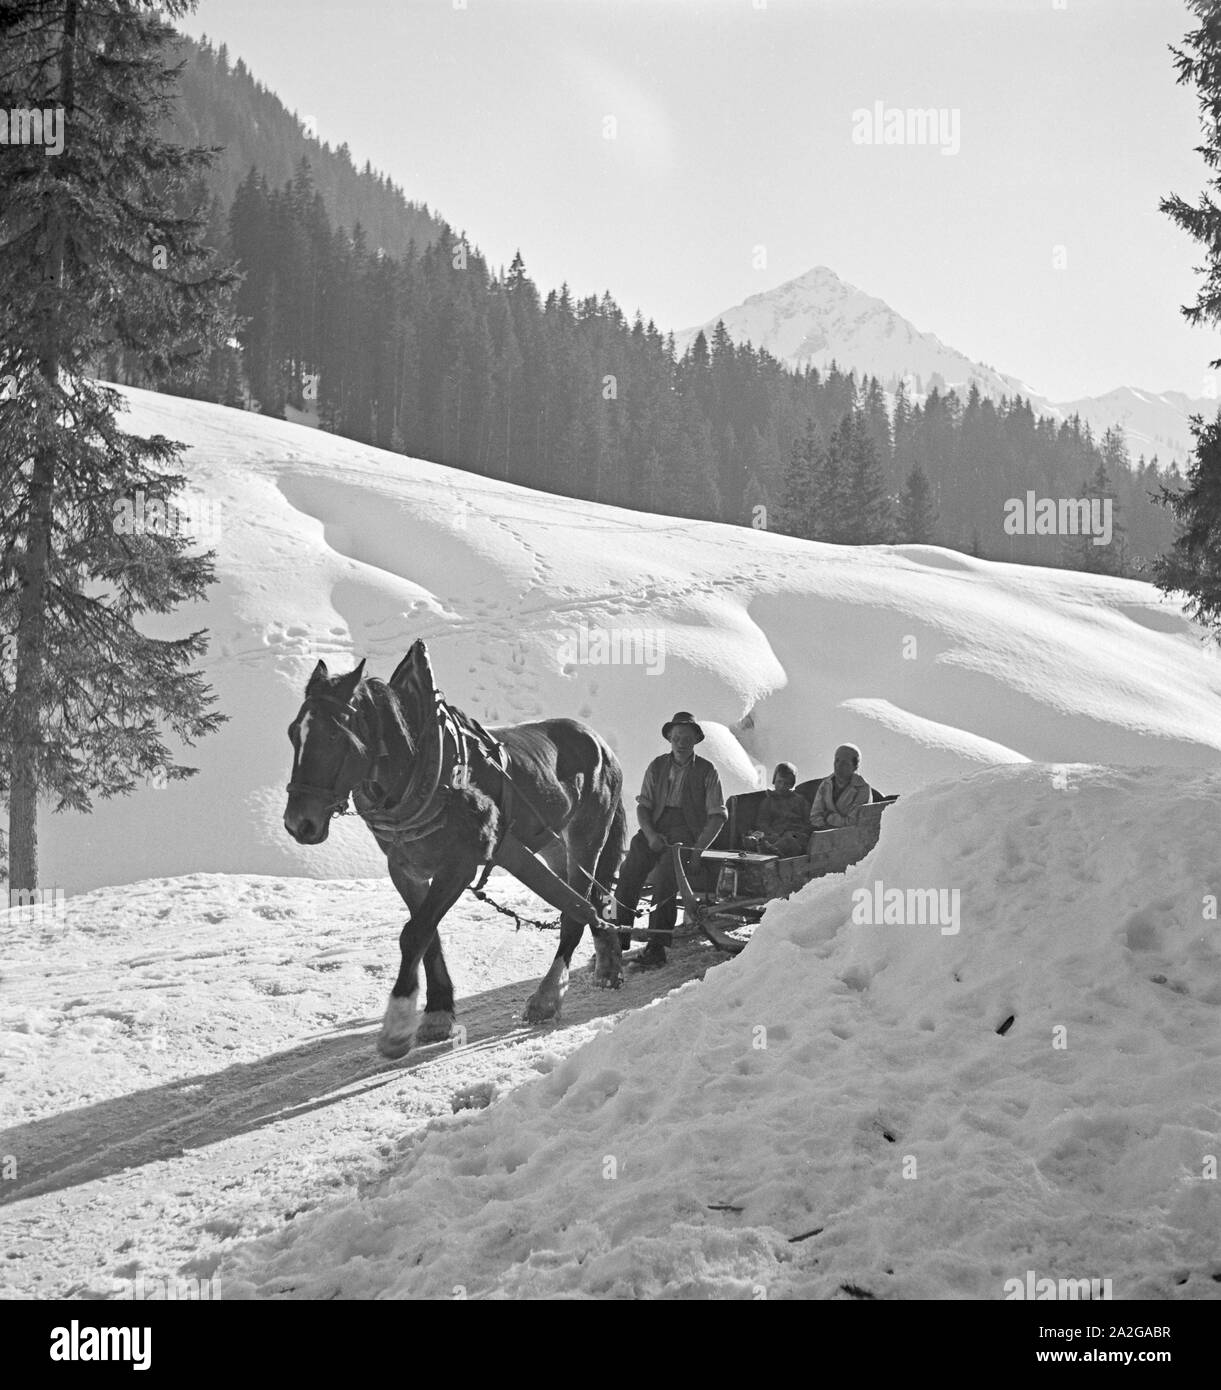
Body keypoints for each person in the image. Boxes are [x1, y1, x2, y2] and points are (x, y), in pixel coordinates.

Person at [614, 711, 727, 970]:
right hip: (655, 827)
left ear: (696, 740)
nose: (681, 742)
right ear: (670, 739)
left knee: (666, 879)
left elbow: (717, 816)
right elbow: (643, 807)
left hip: (687, 834)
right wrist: (651, 835)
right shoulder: (657, 766)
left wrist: (698, 851)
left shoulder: (708, 771)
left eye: (687, 737)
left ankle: (657, 947)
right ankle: (617, 940)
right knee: (628, 872)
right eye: (676, 737)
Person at [747, 762, 811, 856]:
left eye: (786, 783)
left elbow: (809, 822)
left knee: (790, 841)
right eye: (779, 782)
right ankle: (774, 850)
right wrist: (771, 833)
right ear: (774, 781)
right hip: (775, 836)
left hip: (796, 837)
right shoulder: (768, 802)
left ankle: (775, 850)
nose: (781, 786)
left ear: (791, 784)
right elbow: (762, 822)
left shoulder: (800, 801)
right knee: (759, 840)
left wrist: (798, 833)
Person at [808, 744, 871, 829]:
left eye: (844, 763)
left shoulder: (862, 789)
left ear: (855, 767)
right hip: (822, 835)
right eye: (837, 760)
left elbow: (853, 822)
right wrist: (827, 826)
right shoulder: (826, 784)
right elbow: (815, 816)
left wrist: (828, 817)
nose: (838, 765)